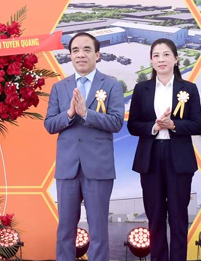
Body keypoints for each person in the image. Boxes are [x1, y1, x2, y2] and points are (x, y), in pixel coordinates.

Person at [44, 33, 124, 261]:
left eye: (87, 49)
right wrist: (69, 114)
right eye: (76, 50)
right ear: (70, 55)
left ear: (97, 55)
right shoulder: (60, 87)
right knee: (65, 231)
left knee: (99, 231)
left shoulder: (111, 85)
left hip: (98, 167)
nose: (81, 54)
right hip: (68, 168)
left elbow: (117, 122)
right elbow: (49, 124)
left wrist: (87, 114)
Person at [127, 38, 201, 261]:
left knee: (179, 217)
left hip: (178, 157)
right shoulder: (142, 89)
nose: (161, 59)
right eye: (156, 55)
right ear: (151, 60)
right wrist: (153, 126)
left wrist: (174, 125)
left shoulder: (188, 88)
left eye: (166, 54)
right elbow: (133, 125)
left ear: (176, 59)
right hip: (150, 158)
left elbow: (198, 125)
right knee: (155, 216)